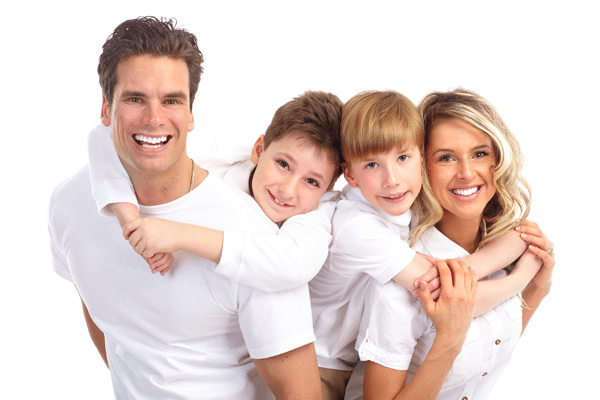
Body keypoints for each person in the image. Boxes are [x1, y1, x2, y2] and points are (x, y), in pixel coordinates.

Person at [48, 16, 323, 399]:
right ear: (105, 109)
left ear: (191, 113)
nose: (155, 119)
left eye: (172, 100)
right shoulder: (70, 205)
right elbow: (104, 317)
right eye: (135, 98)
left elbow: (301, 393)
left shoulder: (254, 242)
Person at [308, 90, 547, 400]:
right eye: (446, 157)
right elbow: (444, 286)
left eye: (479, 153)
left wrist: (533, 286)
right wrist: (520, 281)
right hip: (318, 361)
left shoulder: (491, 239)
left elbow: (490, 346)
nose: (465, 172)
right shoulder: (378, 253)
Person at [88, 90, 344, 289]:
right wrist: (133, 222)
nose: (288, 190)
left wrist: (176, 235)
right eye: (283, 164)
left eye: (312, 182)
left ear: (329, 188)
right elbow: (104, 135)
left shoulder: (320, 213)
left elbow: (292, 265)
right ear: (259, 150)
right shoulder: (218, 158)